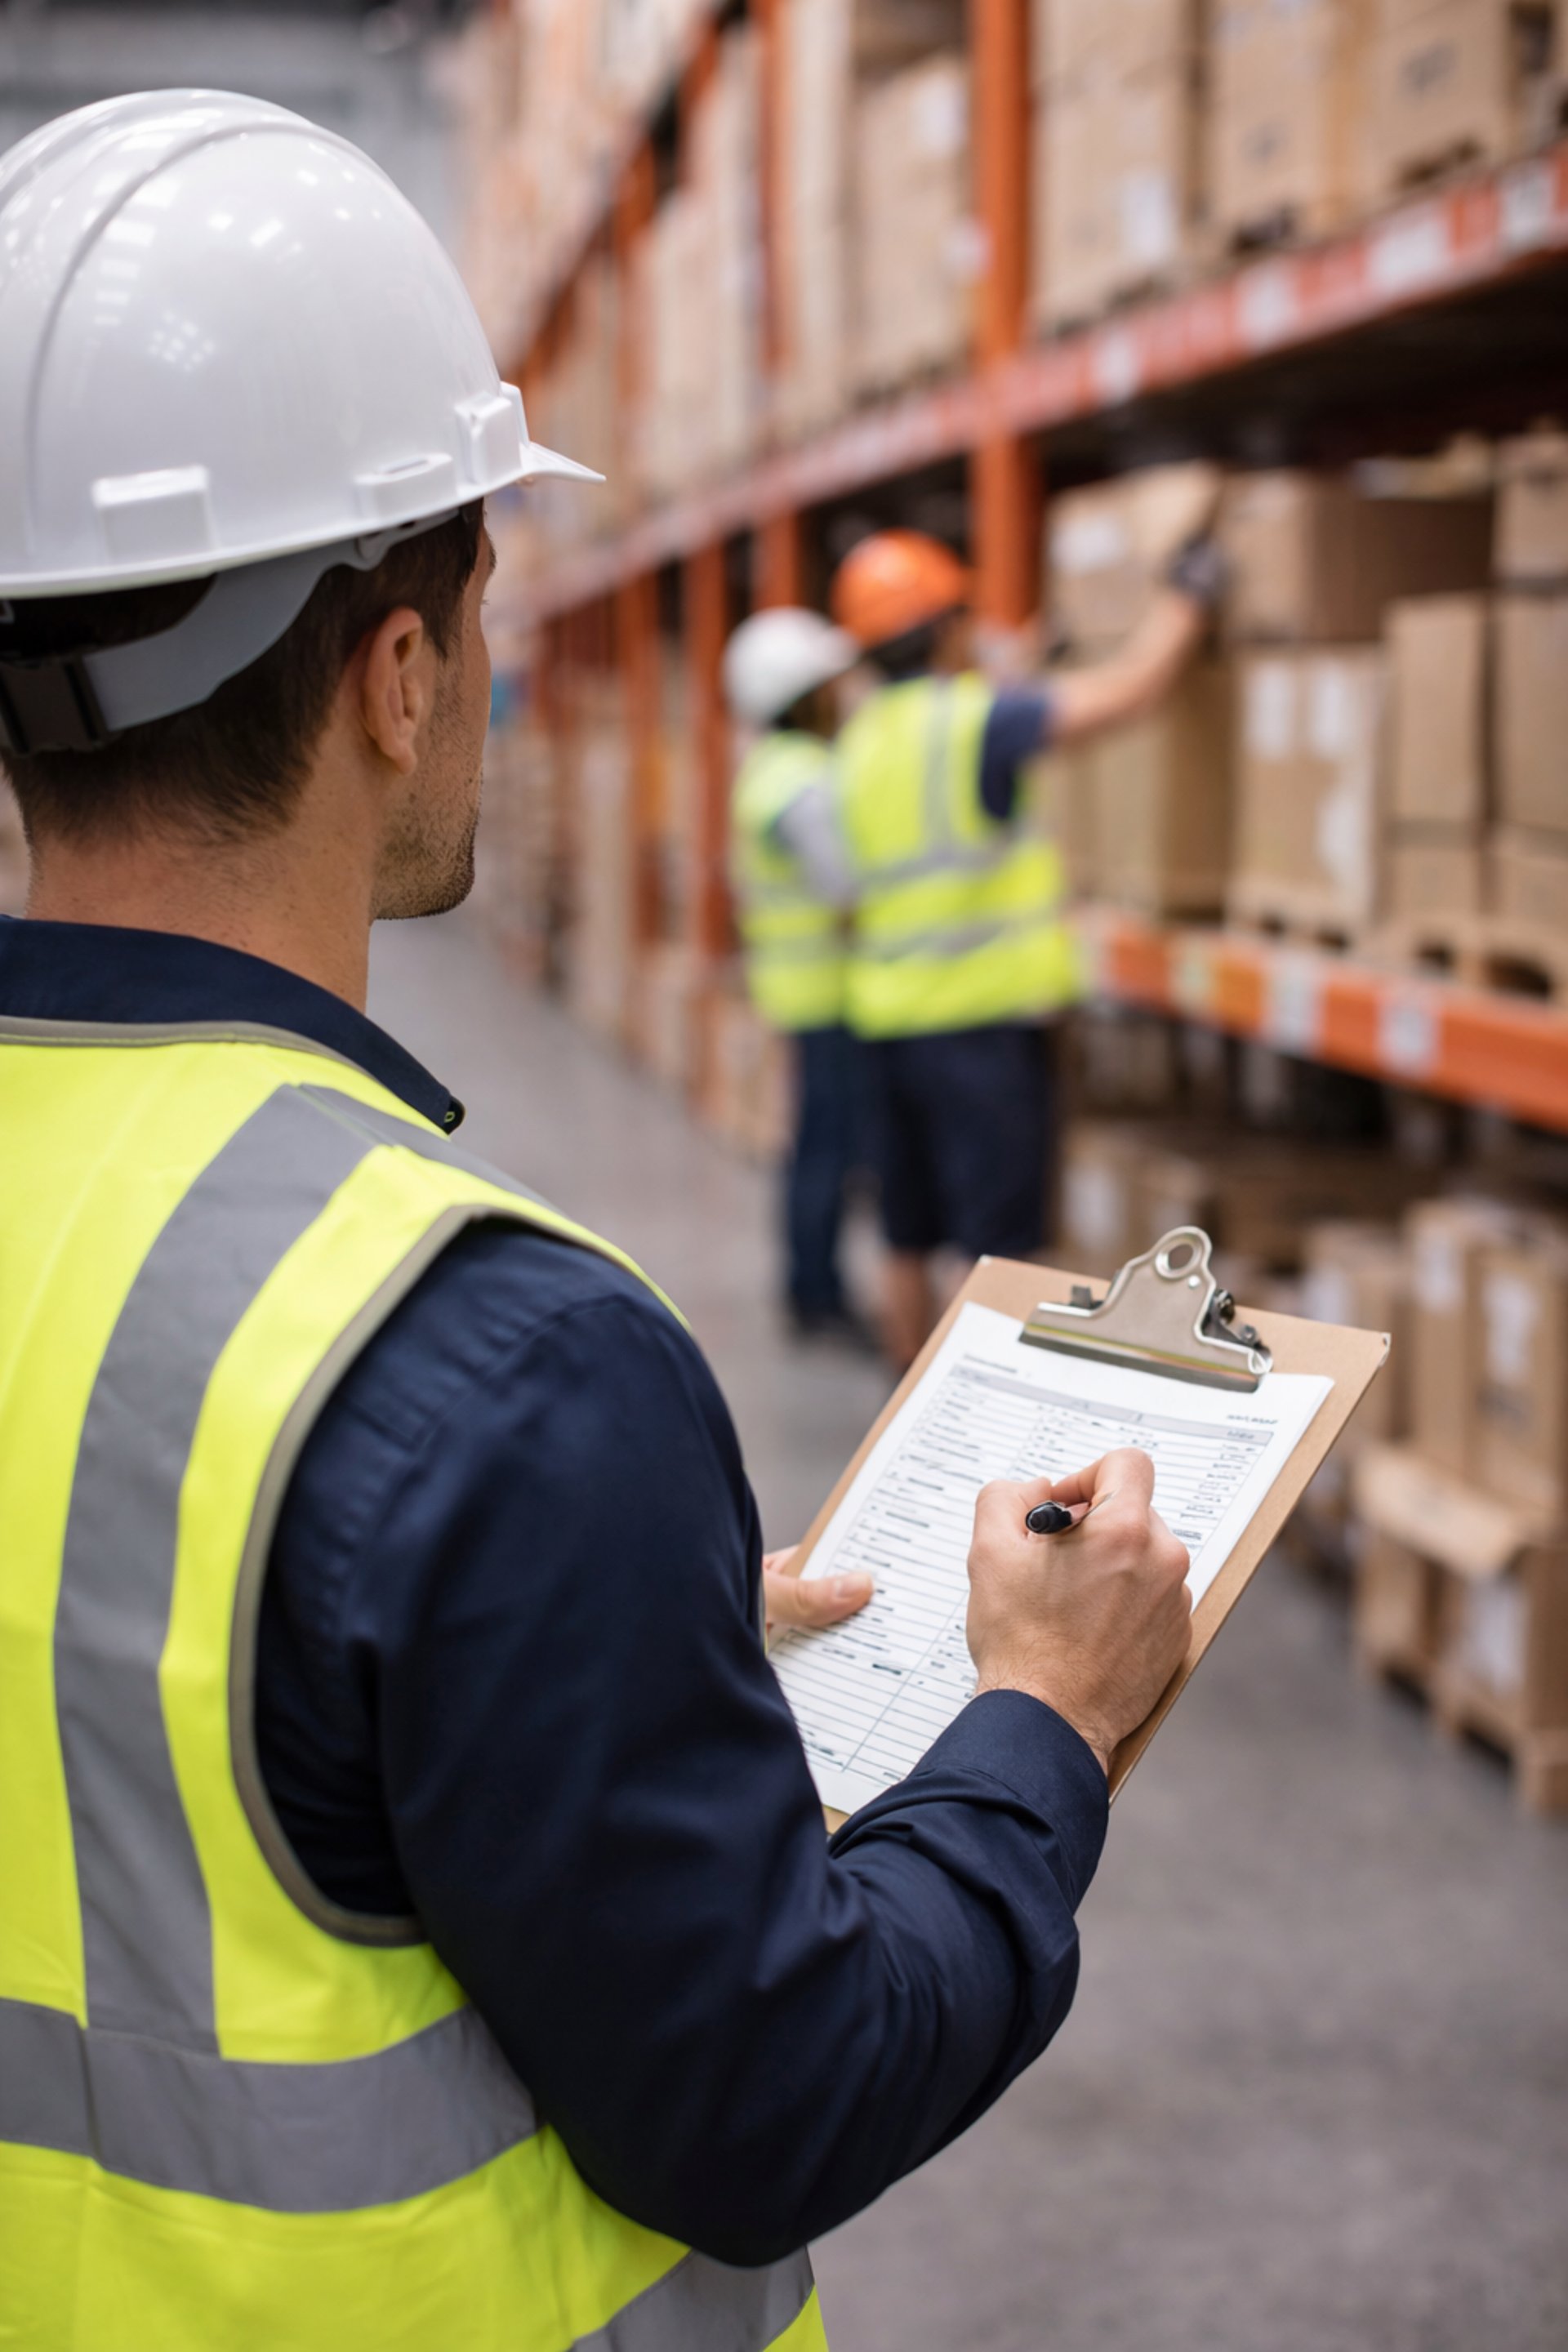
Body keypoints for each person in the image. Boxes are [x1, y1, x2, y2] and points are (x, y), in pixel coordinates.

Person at [0, 93, 1194, 2352]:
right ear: (403, 675)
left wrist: (537, 1650)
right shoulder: (487, 1362)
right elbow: (775, 2094)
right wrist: (1039, 1719)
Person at [829, 526, 1224, 1369]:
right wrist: (1186, 603)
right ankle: (988, 1433)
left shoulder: (862, 738)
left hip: (886, 1025)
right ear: (944, 628)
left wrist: (1037, 654)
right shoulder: (981, 723)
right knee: (998, 1253)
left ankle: (904, 1414)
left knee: (905, 1234)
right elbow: (1130, 694)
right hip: (981, 1032)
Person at [724, 607, 867, 1343]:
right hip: (826, 995)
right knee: (823, 1150)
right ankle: (816, 1296)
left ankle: (814, 1288)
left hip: (803, 989)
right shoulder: (801, 780)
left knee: (817, 1145)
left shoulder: (771, 769)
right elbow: (848, 883)